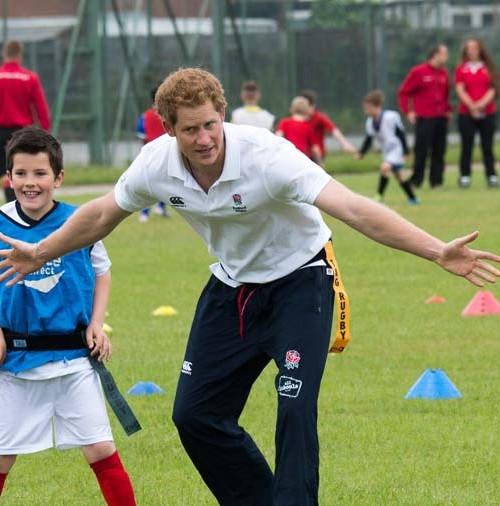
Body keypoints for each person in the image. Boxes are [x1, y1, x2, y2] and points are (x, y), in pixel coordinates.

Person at [0, 68, 499, 506]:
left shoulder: (268, 156)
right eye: (190, 129)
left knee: (294, 404)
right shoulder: (156, 164)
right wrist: (40, 251)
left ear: (223, 114)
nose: (204, 138)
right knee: (194, 415)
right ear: (169, 130)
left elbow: (352, 208)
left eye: (211, 124)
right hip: (231, 286)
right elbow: (103, 214)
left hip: (302, 281)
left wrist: (437, 250)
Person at [0, 127, 136, 505]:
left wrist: (96, 323)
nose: (30, 183)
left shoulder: (81, 222)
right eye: (21, 174)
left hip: (74, 360)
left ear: (58, 178)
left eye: (40, 174)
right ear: (8, 178)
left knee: (101, 449)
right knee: (2, 457)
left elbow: (101, 271)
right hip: (15, 364)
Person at [0, 40, 51, 203]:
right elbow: (41, 108)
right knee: (16, 169)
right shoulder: (29, 78)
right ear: (20, 56)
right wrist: (44, 133)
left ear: (4, 54)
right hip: (20, 133)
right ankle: (13, 206)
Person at [398, 44, 452, 188]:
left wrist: (448, 111)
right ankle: (416, 180)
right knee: (421, 150)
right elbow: (404, 92)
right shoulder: (419, 71)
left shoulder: (444, 73)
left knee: (439, 151)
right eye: (444, 54)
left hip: (441, 117)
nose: (447, 57)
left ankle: (437, 181)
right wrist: (408, 111)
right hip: (425, 118)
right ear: (435, 54)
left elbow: (446, 95)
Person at [357, 89, 420, 205]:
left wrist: (406, 151)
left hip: (396, 150)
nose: (366, 111)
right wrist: (361, 152)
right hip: (387, 152)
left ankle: (379, 197)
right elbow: (369, 139)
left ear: (377, 106)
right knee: (400, 176)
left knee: (384, 168)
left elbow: (401, 134)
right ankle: (413, 199)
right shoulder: (370, 122)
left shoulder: (391, 117)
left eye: (368, 108)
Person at [454, 38, 499, 189]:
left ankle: (491, 175)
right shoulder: (461, 69)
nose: (471, 51)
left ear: (480, 50)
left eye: (474, 48)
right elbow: (460, 89)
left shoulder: (488, 68)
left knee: (487, 146)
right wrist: (471, 106)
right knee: (467, 145)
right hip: (466, 113)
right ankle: (465, 176)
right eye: (469, 48)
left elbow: (493, 89)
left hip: (488, 112)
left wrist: (481, 104)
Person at [136, 85, 169, 221]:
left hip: (150, 155)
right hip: (167, 154)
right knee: (166, 182)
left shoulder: (145, 116)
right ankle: (159, 208)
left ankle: (145, 213)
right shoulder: (169, 116)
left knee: (148, 183)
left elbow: (141, 136)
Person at [300, 89, 357, 163]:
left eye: (309, 106)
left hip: (317, 156)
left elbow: (333, 130)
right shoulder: (296, 120)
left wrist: (344, 143)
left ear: (313, 105)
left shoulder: (319, 117)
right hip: (302, 155)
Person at [276, 96, 322, 165]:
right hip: (303, 158)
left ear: (292, 109)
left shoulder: (285, 122)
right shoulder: (308, 127)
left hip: (288, 156)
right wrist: (320, 162)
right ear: (307, 111)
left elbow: (278, 137)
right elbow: (315, 149)